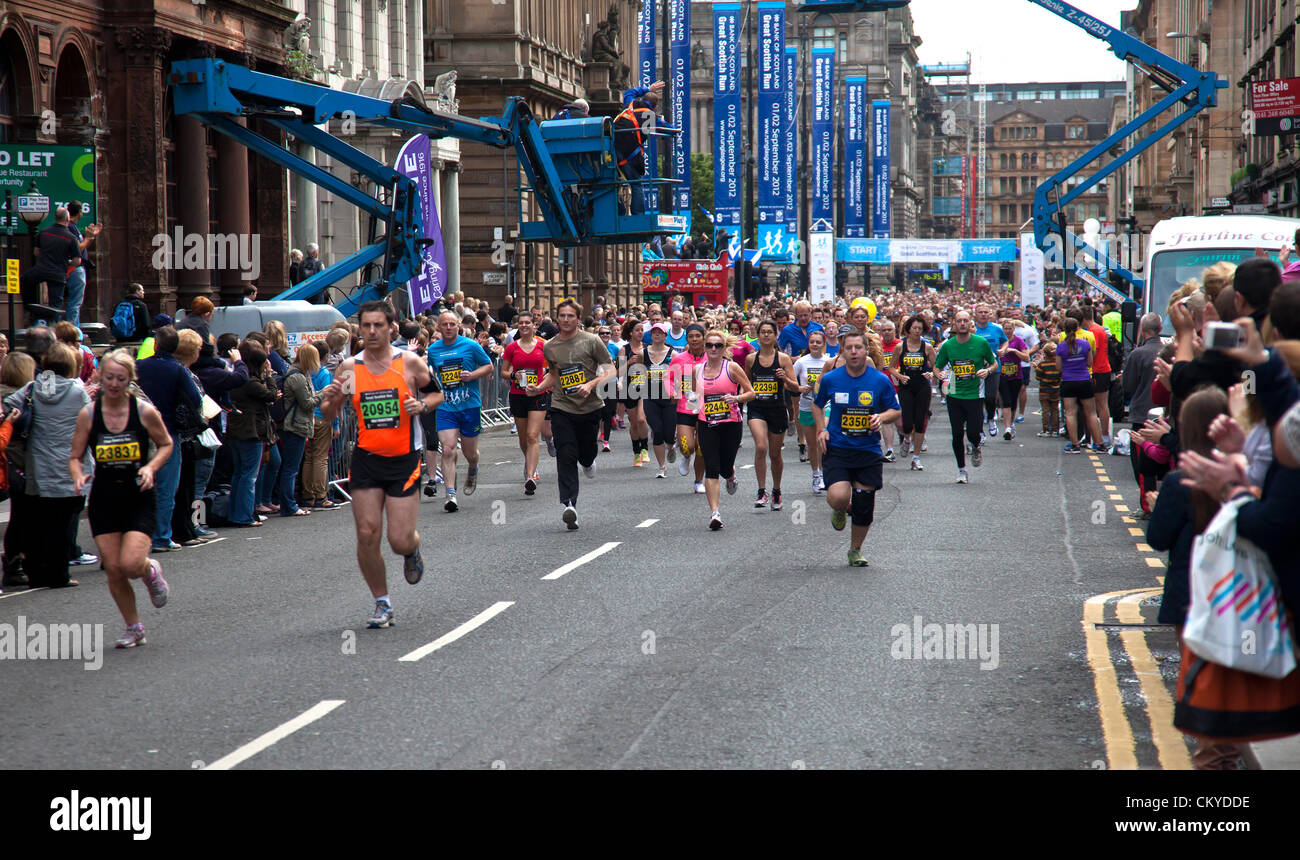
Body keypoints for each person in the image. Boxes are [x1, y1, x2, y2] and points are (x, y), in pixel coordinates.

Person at [320, 301, 440, 628]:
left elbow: (436, 395)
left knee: (399, 539)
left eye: (378, 326)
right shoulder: (349, 368)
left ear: (391, 328)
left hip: (404, 460)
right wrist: (330, 399)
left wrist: (421, 404)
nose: (371, 332)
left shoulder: (410, 363)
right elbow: (330, 415)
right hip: (366, 460)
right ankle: (382, 602)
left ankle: (412, 549)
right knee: (367, 532)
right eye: (366, 326)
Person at [68, 349, 174, 648]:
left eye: (121, 379)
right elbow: (75, 456)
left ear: (130, 380)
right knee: (113, 567)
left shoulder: (143, 411)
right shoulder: (89, 414)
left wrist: (151, 467)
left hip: (138, 494)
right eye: (109, 377)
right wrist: (77, 475)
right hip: (104, 496)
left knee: (130, 564)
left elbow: (165, 444)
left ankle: (150, 570)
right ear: (99, 376)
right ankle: (134, 626)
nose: (114, 384)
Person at [4, 343, 91, 587]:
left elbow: (8, 406)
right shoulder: (77, 390)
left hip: (39, 465)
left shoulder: (32, 388)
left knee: (40, 521)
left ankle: (36, 571)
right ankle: (59, 574)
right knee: (64, 524)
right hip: (71, 466)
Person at [813, 330, 901, 567]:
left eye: (858, 348)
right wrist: (822, 430)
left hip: (868, 450)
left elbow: (895, 410)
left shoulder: (879, 380)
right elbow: (817, 404)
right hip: (838, 448)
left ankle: (855, 549)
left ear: (866, 350)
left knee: (864, 504)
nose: (853, 352)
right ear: (842, 351)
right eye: (848, 348)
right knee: (839, 496)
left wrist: (881, 417)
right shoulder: (832, 378)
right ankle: (840, 509)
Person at [526, 300, 615, 530]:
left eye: (570, 316)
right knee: (565, 453)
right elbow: (554, 374)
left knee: (585, 452)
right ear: (556, 318)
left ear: (578, 318)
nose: (565, 320)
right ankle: (569, 505)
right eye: (562, 316)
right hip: (561, 407)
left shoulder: (592, 341)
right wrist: (540, 387)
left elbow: (611, 369)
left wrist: (591, 384)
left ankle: (588, 461)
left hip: (590, 407)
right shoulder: (550, 346)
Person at [135, 325, 203, 552]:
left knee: (142, 485)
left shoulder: (139, 366)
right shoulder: (177, 369)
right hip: (167, 432)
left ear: (155, 345)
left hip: (139, 432)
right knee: (166, 488)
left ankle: (140, 534)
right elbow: (195, 398)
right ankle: (161, 537)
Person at [427, 310, 494, 512]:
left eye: (452, 324)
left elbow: (489, 367)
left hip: (469, 405)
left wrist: (472, 375)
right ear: (438, 327)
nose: (448, 328)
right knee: (447, 449)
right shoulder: (433, 349)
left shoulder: (471, 346)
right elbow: (430, 376)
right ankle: (450, 494)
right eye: (444, 324)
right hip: (446, 407)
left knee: (469, 452)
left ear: (458, 326)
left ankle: (473, 467)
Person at [694, 330, 755, 530]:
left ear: (724, 349)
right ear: (704, 347)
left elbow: (751, 393)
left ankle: (730, 475)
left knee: (725, 467)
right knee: (711, 467)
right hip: (707, 423)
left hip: (731, 423)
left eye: (718, 345)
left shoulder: (733, 367)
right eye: (709, 345)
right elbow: (695, 395)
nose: (713, 349)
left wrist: (736, 398)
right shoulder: (697, 370)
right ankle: (715, 513)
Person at [933, 311, 997, 483]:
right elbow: (937, 366)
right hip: (954, 394)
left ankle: (976, 446)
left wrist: (988, 370)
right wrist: (939, 375)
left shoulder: (981, 343)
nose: (962, 323)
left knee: (973, 433)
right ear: (954, 324)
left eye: (965, 321)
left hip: (975, 395)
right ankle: (962, 470)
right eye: (959, 321)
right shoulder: (948, 345)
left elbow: (994, 362)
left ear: (970, 324)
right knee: (956, 434)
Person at [745, 319, 797, 511]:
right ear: (758, 336)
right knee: (760, 447)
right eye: (763, 332)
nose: (766, 335)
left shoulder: (782, 358)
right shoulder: (751, 359)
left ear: (775, 336)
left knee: (775, 454)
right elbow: (747, 383)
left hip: (777, 408)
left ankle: (776, 490)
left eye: (770, 332)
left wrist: (784, 378)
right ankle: (761, 491)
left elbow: (794, 385)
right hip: (757, 408)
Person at [227, 342, 278, 528]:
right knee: (249, 476)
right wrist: (270, 376)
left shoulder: (235, 377)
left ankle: (235, 513)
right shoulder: (251, 382)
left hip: (234, 430)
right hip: (251, 431)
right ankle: (245, 516)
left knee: (239, 474)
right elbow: (271, 395)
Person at [502, 311, 550, 495]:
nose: (524, 326)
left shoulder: (542, 345)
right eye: (521, 323)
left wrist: (542, 382)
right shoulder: (512, 347)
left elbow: (551, 369)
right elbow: (503, 372)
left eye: (527, 323)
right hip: (518, 395)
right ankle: (529, 462)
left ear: (534, 326)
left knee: (532, 436)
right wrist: (514, 375)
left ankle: (531, 475)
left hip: (538, 393)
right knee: (523, 439)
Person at [276, 344, 325, 517]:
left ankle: (288, 503)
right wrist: (323, 393)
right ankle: (288, 505)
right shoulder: (297, 377)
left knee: (291, 467)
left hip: (298, 425)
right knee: (291, 468)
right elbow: (307, 403)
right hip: (294, 426)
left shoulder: (301, 374)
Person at [20, 207, 80, 326]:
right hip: (58, 273)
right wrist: (66, 262)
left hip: (40, 270)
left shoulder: (44, 232)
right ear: (68, 219)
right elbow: (77, 261)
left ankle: (29, 306)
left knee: (24, 280)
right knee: (55, 307)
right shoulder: (71, 237)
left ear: (55, 218)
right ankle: (55, 329)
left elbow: (36, 252)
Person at [893, 314, 936, 471]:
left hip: (922, 386)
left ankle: (916, 457)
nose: (917, 331)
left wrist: (931, 373)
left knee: (920, 422)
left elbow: (936, 366)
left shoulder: (927, 347)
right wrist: (899, 375)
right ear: (908, 330)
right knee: (907, 423)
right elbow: (891, 367)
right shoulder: (900, 347)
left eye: (920, 329)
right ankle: (906, 439)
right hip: (906, 386)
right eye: (914, 328)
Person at [669, 323, 709, 494]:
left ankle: (698, 481)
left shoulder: (712, 358)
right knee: (687, 446)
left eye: (697, 336)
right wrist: (672, 392)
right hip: (685, 406)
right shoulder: (679, 358)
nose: (694, 339)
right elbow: (669, 378)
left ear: (703, 338)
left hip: (706, 408)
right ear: (687, 339)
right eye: (691, 336)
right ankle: (685, 456)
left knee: (702, 447)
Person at [1058, 317, 1103, 454]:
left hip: (1068, 381)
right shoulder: (1085, 343)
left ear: (1064, 330)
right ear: (1078, 327)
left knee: (1070, 413)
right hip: (1084, 379)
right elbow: (1090, 362)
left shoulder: (1061, 346)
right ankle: (1099, 444)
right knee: (1091, 413)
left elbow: (1058, 367)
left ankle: (1074, 445)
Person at [641, 321, 679, 478]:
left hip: (668, 398)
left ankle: (671, 445)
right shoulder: (644, 353)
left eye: (660, 332)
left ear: (665, 335)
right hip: (650, 397)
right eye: (654, 332)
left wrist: (678, 393)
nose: (656, 335)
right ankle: (661, 467)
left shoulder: (674, 354)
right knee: (657, 431)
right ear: (651, 335)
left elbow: (680, 375)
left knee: (669, 433)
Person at [793, 330, 830, 490]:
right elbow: (790, 381)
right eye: (812, 342)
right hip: (806, 406)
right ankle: (816, 474)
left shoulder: (828, 362)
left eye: (818, 342)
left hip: (824, 407)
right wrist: (800, 388)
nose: (815, 345)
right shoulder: (801, 362)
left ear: (823, 344)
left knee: (822, 440)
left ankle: (824, 474)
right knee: (812, 445)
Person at [62, 201, 101, 330]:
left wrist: (90, 237)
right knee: (74, 302)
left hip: (75, 268)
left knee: (75, 303)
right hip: (73, 269)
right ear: (80, 212)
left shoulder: (73, 227)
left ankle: (73, 329)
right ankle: (71, 331)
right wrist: (88, 238)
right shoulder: (70, 227)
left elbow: (81, 247)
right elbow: (77, 249)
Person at [613, 97, 655, 215]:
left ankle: (619, 212)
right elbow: (648, 133)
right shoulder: (650, 115)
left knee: (613, 184)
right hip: (629, 156)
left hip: (614, 153)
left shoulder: (627, 110)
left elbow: (630, 93)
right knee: (636, 184)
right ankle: (639, 215)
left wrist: (646, 88)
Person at [995, 320, 1029, 441]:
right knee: (1006, 401)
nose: (1007, 331)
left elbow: (1027, 358)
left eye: (1010, 329)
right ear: (1002, 329)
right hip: (1002, 375)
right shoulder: (999, 341)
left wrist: (1014, 351)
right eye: (1005, 329)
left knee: (1013, 401)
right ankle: (1007, 428)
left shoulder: (1018, 341)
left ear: (1014, 329)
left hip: (1015, 376)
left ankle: (1012, 423)